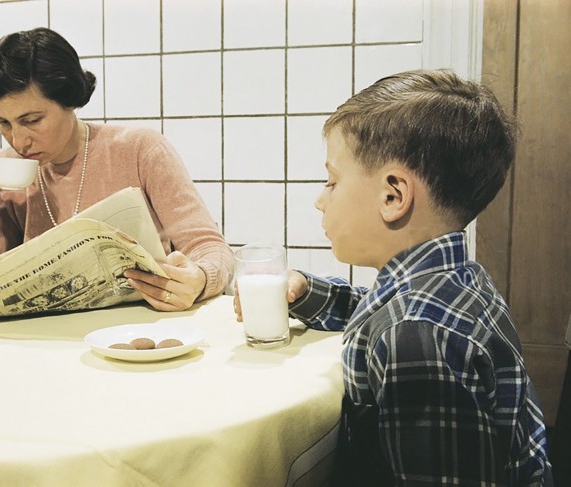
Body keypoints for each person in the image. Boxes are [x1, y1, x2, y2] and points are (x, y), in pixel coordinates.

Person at [235, 69, 552, 485]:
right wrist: (307, 293)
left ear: (393, 196)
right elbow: (377, 311)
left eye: (332, 181)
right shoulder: (450, 281)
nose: (319, 199)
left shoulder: (418, 339)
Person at [0, 27, 234, 312]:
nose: (18, 141)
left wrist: (200, 279)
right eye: (3, 122)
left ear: (70, 101)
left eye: (31, 120)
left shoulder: (139, 149)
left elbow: (209, 246)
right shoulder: (6, 170)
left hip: (141, 328)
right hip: (47, 339)